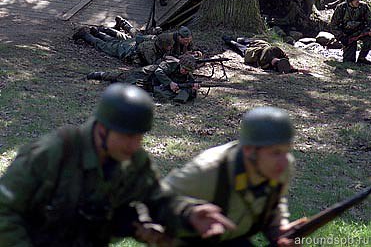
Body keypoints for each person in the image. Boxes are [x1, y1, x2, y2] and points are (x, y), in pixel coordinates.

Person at [0, 83, 235, 246]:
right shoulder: (53, 153)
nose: (134, 145)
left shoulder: (133, 160)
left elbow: (158, 198)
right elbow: (4, 211)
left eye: (139, 137)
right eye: (127, 136)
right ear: (102, 129)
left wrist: (188, 213)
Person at [162, 106, 303, 245]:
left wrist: (279, 230)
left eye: (287, 151)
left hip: (231, 239)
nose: (284, 161)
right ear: (249, 150)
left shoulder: (282, 167)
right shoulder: (207, 171)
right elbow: (156, 200)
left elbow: (274, 203)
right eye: (275, 152)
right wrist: (189, 214)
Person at [73, 24, 197, 66]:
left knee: (112, 42)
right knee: (104, 46)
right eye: (168, 47)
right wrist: (170, 59)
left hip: (131, 46)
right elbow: (153, 63)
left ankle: (97, 32)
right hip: (128, 50)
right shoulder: (151, 48)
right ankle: (85, 35)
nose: (188, 41)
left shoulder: (164, 43)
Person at [330, 0, 371, 64]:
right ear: (350, 0)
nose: (358, 1)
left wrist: (367, 31)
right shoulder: (341, 8)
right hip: (347, 35)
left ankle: (362, 58)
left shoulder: (364, 7)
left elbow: (369, 22)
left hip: (360, 32)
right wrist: (341, 37)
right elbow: (333, 25)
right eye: (356, 0)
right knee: (349, 61)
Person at [223, 36, 302, 74]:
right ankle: (233, 40)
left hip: (255, 50)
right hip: (256, 50)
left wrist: (293, 68)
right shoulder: (270, 56)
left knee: (239, 46)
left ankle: (231, 41)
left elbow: (285, 59)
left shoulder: (270, 59)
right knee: (242, 45)